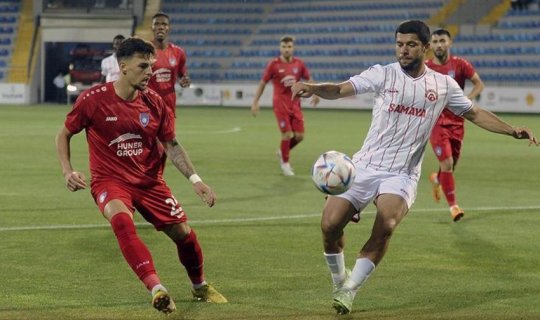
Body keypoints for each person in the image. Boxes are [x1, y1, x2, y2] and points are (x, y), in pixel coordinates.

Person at [291, 20, 538, 315]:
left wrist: (511, 130)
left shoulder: (443, 85)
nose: (403, 51)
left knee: (386, 225)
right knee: (330, 226)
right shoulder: (382, 74)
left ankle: (349, 291)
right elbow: (341, 89)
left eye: (410, 45)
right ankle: (338, 280)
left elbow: (474, 113)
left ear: (424, 48)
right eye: (399, 44)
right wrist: (312, 88)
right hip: (365, 166)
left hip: (402, 174)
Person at [55, 37, 227, 315]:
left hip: (150, 183)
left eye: (152, 66)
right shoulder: (93, 99)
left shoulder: (155, 102)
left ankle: (200, 286)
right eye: (143, 66)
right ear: (123, 67)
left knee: (184, 234)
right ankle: (156, 288)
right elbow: (64, 133)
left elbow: (171, 144)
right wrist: (67, 170)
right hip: (109, 181)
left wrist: (196, 180)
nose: (150, 72)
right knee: (122, 221)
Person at [425, 28, 485, 222]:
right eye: (434, 41)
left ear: (450, 43)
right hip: (435, 122)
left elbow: (479, 84)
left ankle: (437, 179)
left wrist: (465, 100)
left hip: (458, 122)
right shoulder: (425, 68)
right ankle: (454, 206)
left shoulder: (460, 64)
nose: (438, 45)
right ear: (430, 45)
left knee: (451, 165)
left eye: (442, 40)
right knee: (448, 163)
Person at [251, 35, 319, 176]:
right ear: (280, 48)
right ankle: (285, 164)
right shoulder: (273, 64)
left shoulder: (299, 64)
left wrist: (316, 93)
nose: (286, 49)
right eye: (284, 47)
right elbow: (263, 83)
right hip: (280, 105)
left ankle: (282, 151)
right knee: (287, 134)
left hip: (295, 105)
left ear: (293, 48)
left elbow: (309, 80)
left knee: (300, 136)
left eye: (289, 47)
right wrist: (255, 101)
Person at [148, 12, 190, 118]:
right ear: (152, 27)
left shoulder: (178, 52)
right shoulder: (144, 50)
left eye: (164, 24)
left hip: (169, 106)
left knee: (169, 135)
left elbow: (182, 75)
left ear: (168, 28)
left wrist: (184, 80)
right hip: (147, 105)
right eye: (156, 24)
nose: (160, 27)